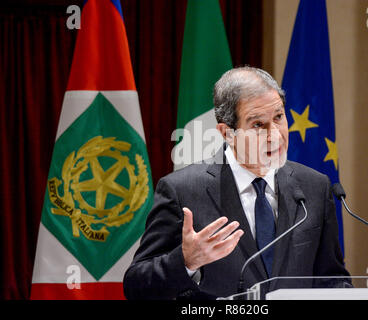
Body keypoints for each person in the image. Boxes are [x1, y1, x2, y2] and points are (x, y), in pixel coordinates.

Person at [123, 67, 350, 300]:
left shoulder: (314, 186)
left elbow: (332, 279)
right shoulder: (183, 191)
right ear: (227, 133)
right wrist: (186, 261)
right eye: (258, 125)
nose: (275, 135)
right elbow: (136, 286)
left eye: (279, 117)